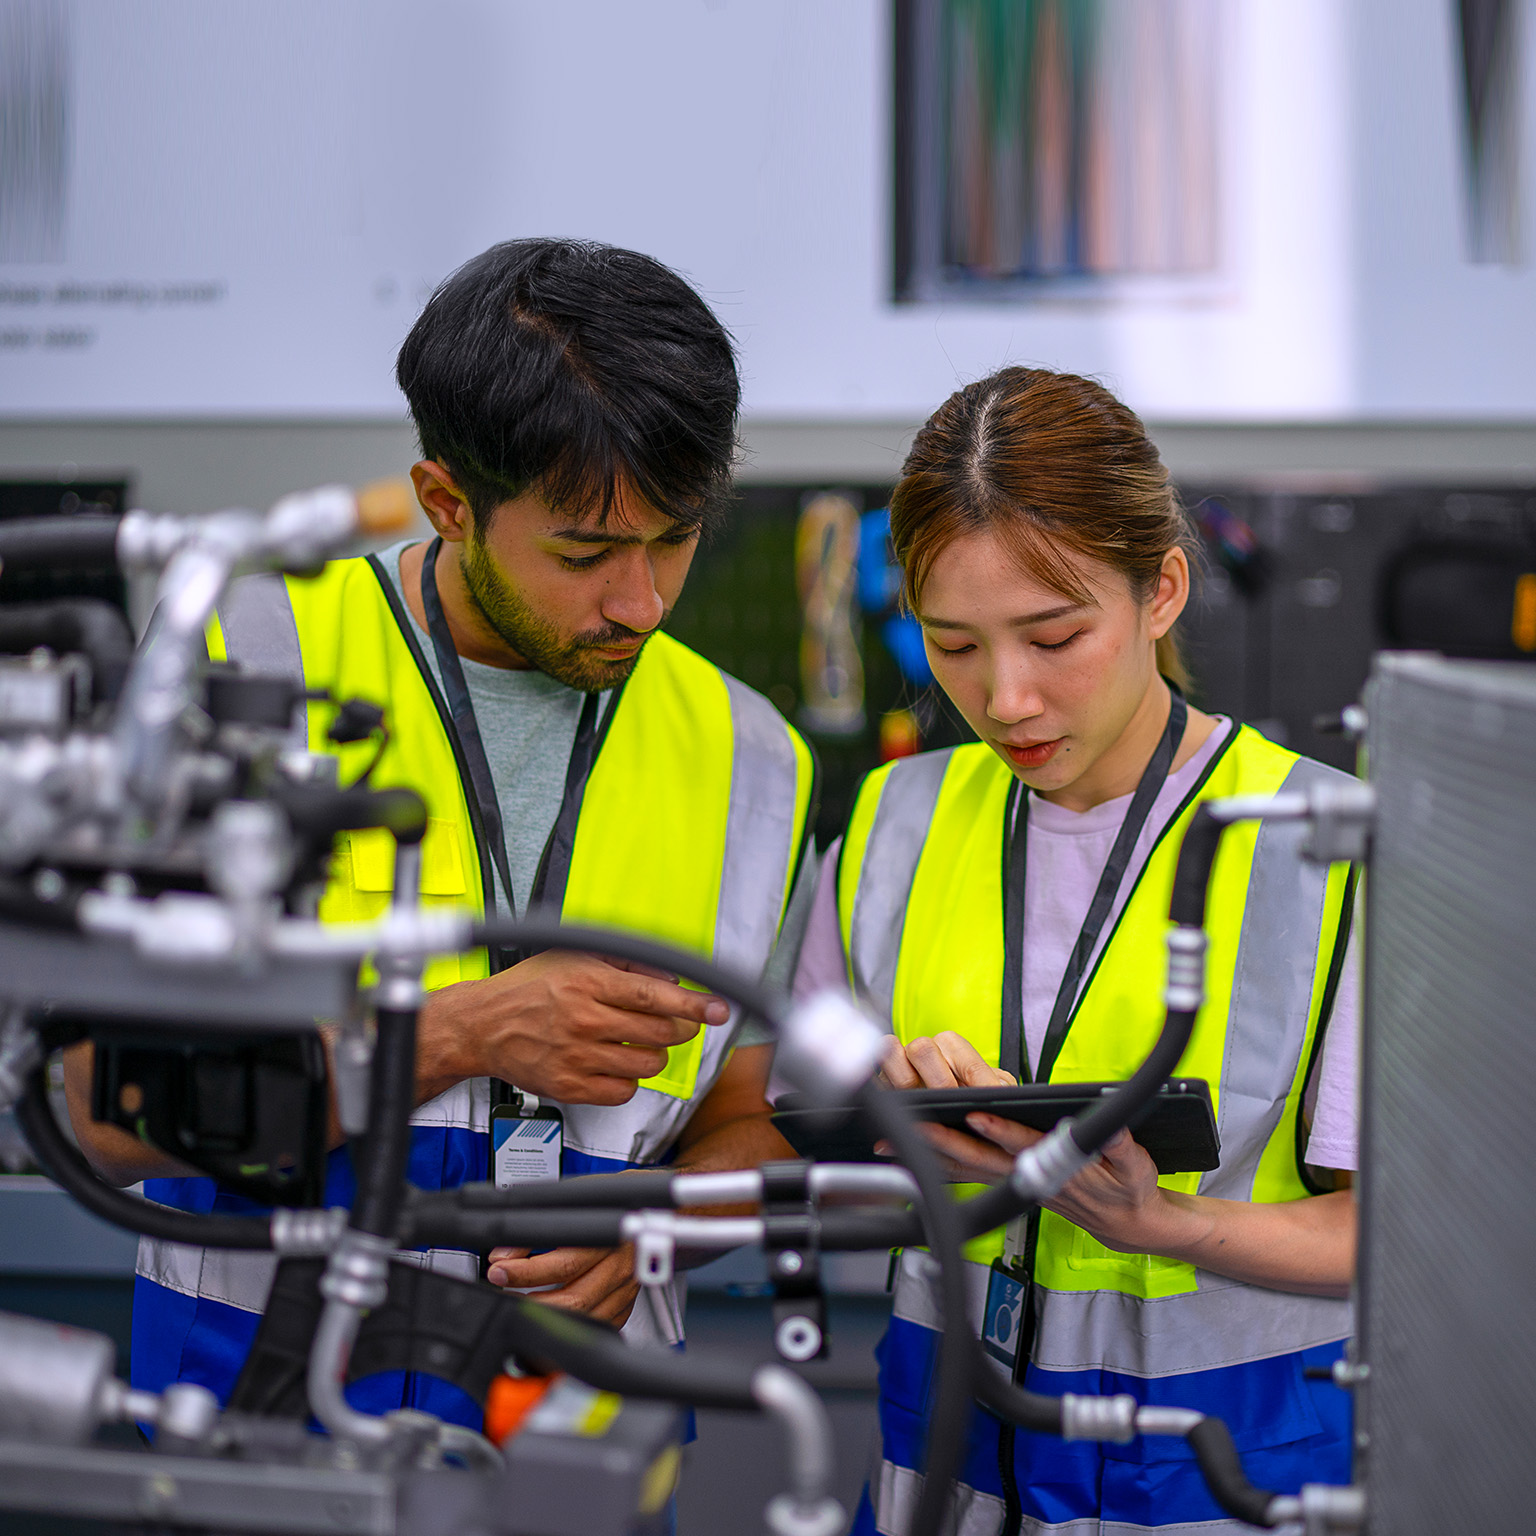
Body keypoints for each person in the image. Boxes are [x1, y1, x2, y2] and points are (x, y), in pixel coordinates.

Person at [64, 239, 815, 1426]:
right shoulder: (246, 661)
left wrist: (668, 1228)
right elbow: (92, 1110)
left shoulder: (753, 755)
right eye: (585, 553)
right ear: (447, 501)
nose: (644, 602)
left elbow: (746, 1120)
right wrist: (465, 1032)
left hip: (577, 1457)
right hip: (252, 1438)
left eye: (676, 536)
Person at [795, 367, 1358, 1534]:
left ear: (1161, 590)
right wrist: (880, 1094)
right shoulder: (895, 820)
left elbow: (1398, 1232)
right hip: (943, 1453)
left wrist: (1173, 1227)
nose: (1005, 699)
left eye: (1055, 638)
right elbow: (804, 1056)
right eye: (951, 645)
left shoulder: (1326, 846)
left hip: (1215, 1466)